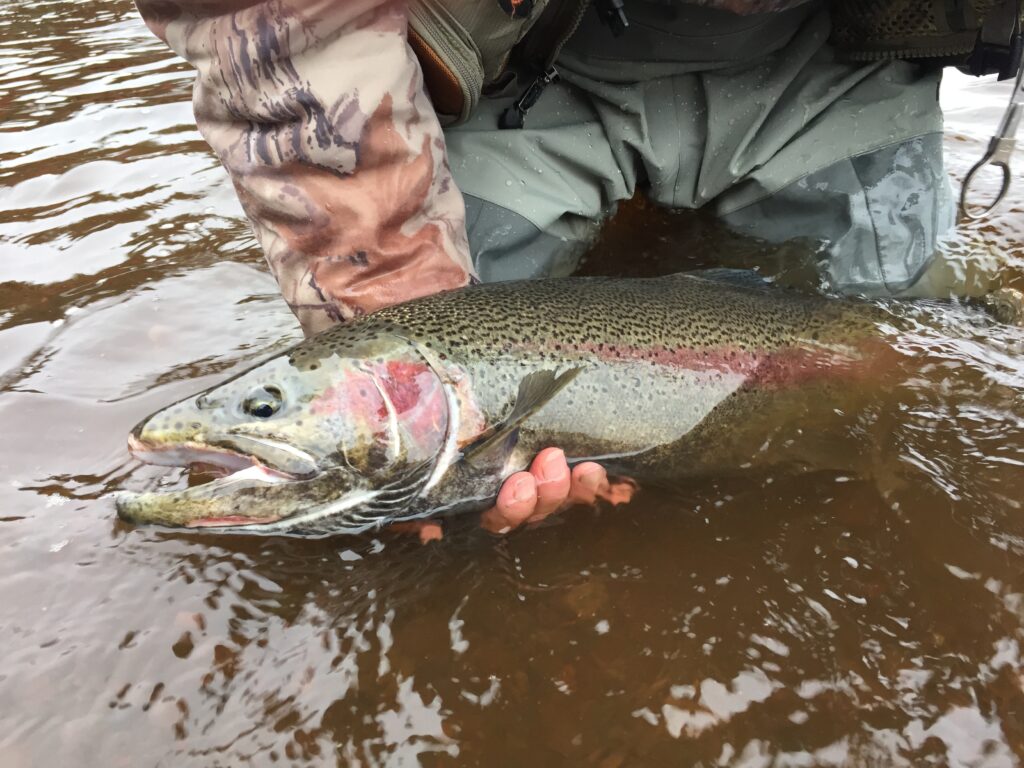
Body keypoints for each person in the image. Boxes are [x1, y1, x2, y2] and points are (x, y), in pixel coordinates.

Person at [133, 0, 1017, 538]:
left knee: (909, 346)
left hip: (834, 60)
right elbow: (278, 31)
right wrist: (388, 300)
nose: (257, 415)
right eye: (264, 407)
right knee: (442, 444)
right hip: (537, 69)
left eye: (263, 408)